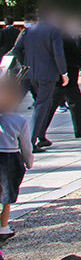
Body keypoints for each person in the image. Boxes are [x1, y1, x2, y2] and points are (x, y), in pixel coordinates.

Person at [11, 5, 67, 150]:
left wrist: (26, 64)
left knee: (43, 104)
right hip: (47, 74)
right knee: (41, 105)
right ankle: (31, 142)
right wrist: (63, 73)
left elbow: (17, 50)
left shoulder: (28, 31)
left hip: (29, 73)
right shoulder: (54, 31)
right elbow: (58, 54)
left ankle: (40, 136)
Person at [0, 76, 33, 242]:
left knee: (5, 195)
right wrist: (29, 161)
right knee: (6, 195)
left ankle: (4, 225)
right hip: (9, 159)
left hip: (8, 158)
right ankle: (3, 226)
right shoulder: (19, 121)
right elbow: (26, 147)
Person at [52, 18, 81, 139]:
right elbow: (64, 58)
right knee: (50, 107)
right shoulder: (62, 38)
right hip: (62, 79)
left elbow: (80, 53)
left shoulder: (77, 38)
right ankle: (39, 133)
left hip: (72, 78)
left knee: (77, 103)